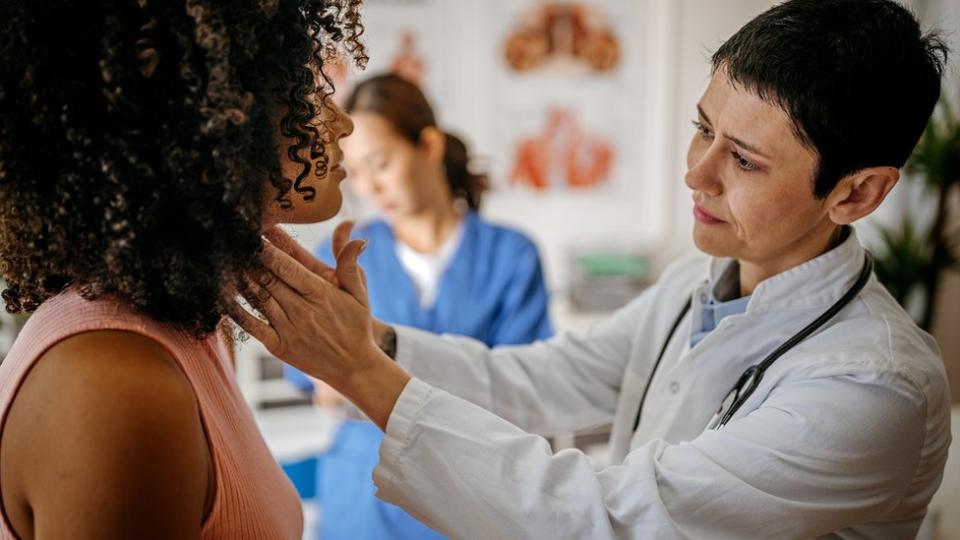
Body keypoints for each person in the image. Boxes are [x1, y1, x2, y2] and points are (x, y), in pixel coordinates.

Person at [233, 0, 954, 538]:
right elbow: (543, 379)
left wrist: (362, 374)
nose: (695, 175)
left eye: (742, 159)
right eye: (704, 129)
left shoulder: (872, 387)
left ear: (856, 192)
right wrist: (378, 345)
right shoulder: (692, 285)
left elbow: (610, 519)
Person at [0, 1, 365, 538]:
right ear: (210, 124)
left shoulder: (187, 325)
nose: (343, 122)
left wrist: (360, 359)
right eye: (305, 91)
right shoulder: (115, 385)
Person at [284, 73, 553, 540]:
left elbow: (524, 386)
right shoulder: (343, 252)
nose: (369, 187)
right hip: (361, 492)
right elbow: (308, 372)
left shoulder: (510, 255)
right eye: (356, 171)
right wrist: (321, 377)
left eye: (382, 163)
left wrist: (365, 372)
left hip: (470, 488)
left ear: (427, 146)